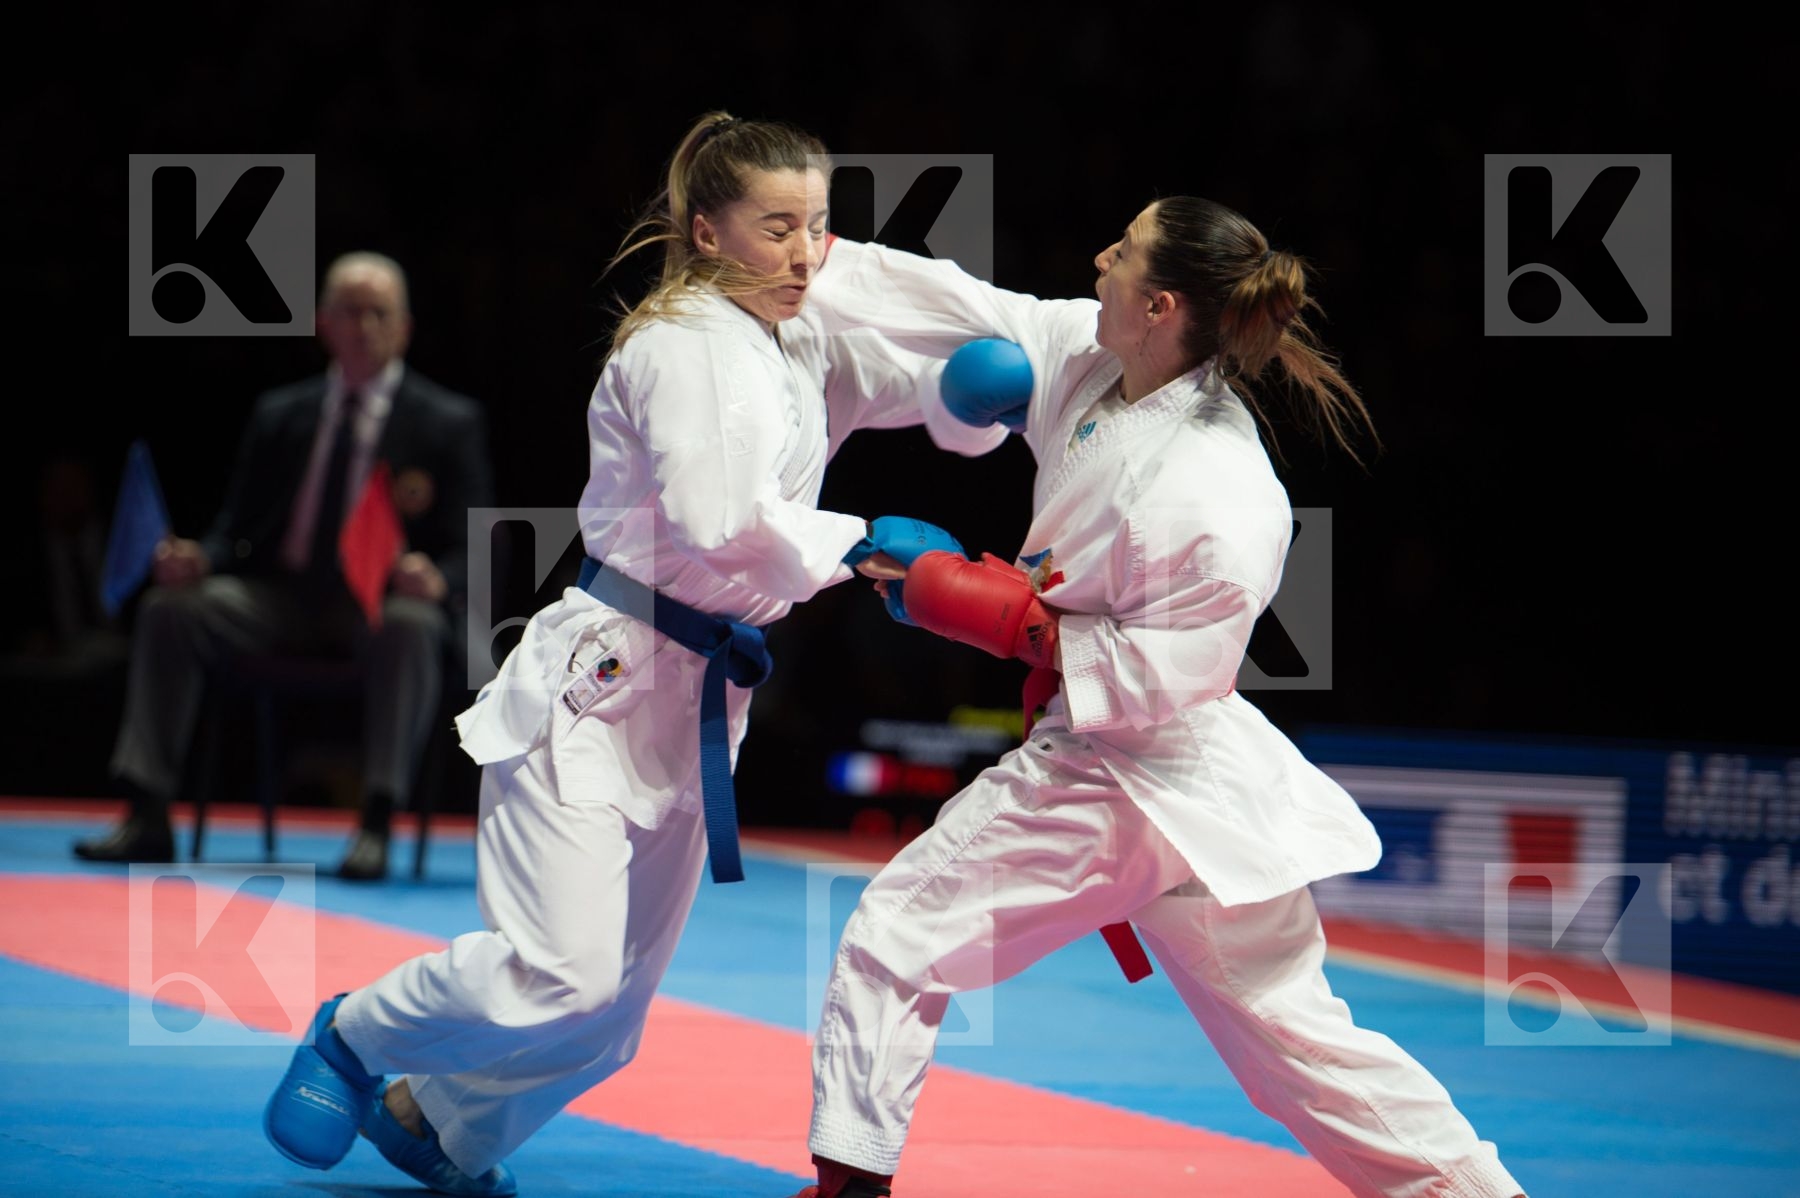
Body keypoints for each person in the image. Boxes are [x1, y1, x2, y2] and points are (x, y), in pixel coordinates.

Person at [260, 112, 1002, 1196]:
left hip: (699, 696)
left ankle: (440, 1127)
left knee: (608, 1021)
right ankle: (353, 1035)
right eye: (777, 227)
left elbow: (910, 386)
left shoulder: (798, 335)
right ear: (707, 232)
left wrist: (982, 389)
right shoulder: (673, 348)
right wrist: (863, 543)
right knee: (555, 974)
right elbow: (714, 521)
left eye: (820, 227)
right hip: (599, 683)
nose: (805, 254)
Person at [783, 199, 1529, 1198]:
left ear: (1161, 305)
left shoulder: (1217, 490)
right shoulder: (1092, 359)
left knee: (895, 937)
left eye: (1122, 253)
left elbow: (1171, 677)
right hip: (1184, 793)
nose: (1099, 257)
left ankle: (848, 1190)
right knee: (1294, 1046)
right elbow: (961, 302)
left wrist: (1004, 615)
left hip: (1126, 764)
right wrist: (809, 254)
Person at [74, 252, 493, 881]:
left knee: (413, 624)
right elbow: (234, 530)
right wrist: (201, 557)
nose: (363, 326)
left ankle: (376, 821)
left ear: (404, 327)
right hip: (279, 599)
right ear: (323, 324)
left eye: (378, 313)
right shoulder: (281, 413)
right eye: (349, 312)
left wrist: (439, 579)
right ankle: (149, 812)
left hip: (377, 606)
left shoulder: (447, 422)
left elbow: (479, 548)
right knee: (171, 608)